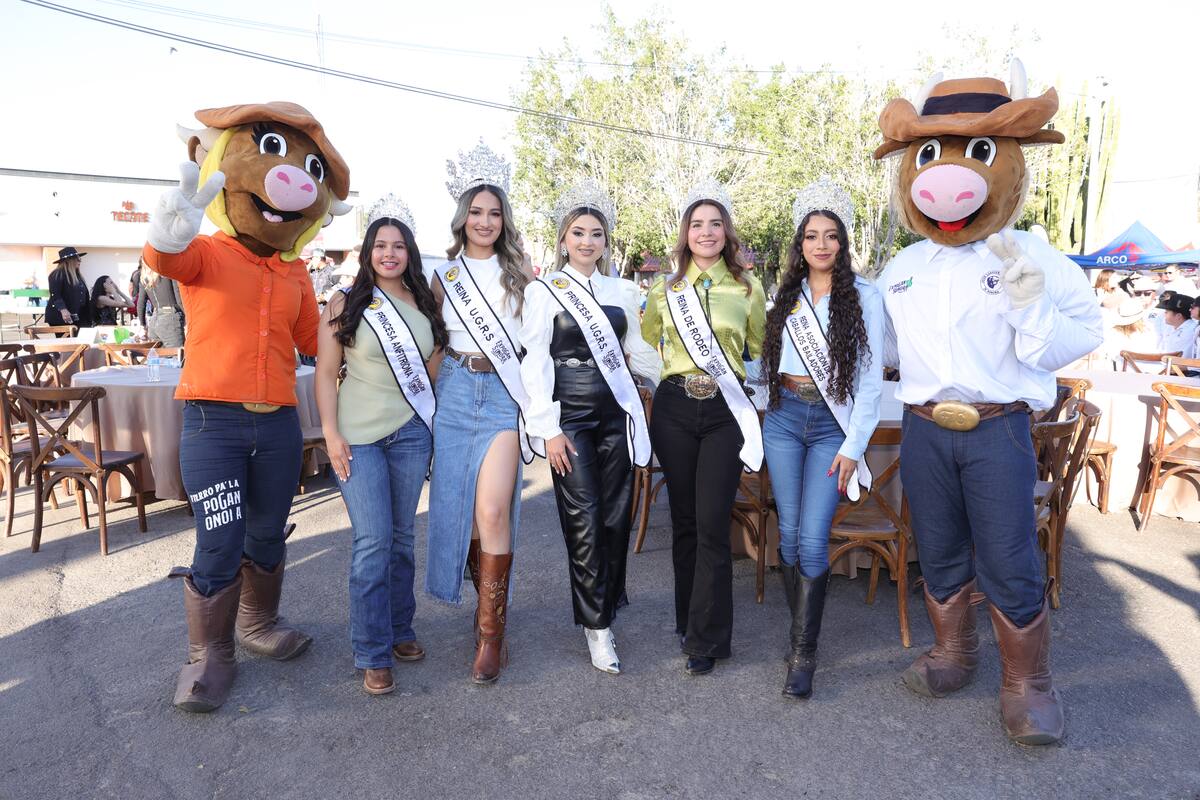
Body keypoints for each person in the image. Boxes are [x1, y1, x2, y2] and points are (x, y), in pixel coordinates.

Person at [873, 65, 1103, 745]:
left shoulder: (1030, 253)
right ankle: (954, 652)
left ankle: (1027, 684)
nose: (945, 177)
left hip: (996, 430)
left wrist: (1032, 312)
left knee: (1008, 556)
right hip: (922, 431)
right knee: (938, 548)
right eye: (929, 156)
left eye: (973, 153)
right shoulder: (903, 266)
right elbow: (883, 347)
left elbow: (1084, 332)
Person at [144, 100, 352, 713]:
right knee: (218, 537)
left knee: (266, 531)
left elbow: (316, 343)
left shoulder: (297, 275)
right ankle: (210, 656)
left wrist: (363, 320)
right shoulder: (208, 251)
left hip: (280, 426)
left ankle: (258, 625)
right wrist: (166, 229)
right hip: (214, 423)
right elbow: (166, 260)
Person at [519, 182, 660, 674]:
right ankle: (597, 627)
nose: (586, 242)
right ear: (562, 239)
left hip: (615, 414)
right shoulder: (543, 291)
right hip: (570, 419)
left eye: (595, 234)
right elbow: (534, 359)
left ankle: (608, 601)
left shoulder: (622, 290)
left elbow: (638, 351)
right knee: (583, 519)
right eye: (577, 233)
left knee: (617, 516)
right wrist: (548, 428)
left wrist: (682, 374)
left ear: (606, 241)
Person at [316, 200, 447, 696]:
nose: (389, 254)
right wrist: (331, 434)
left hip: (412, 434)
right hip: (358, 437)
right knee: (372, 543)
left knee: (401, 540)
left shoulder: (423, 304)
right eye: (380, 246)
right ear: (367, 252)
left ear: (409, 253)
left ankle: (400, 629)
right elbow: (325, 376)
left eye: (398, 246)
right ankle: (371, 650)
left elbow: (433, 368)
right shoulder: (344, 303)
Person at [760, 178, 883, 698]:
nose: (822, 245)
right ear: (800, 243)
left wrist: (854, 447)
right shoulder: (783, 296)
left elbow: (871, 378)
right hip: (784, 417)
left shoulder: (865, 297)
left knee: (812, 537)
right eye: (812, 235)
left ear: (843, 242)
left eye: (831, 235)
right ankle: (800, 634)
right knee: (787, 534)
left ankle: (803, 652)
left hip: (832, 425)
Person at [424, 141, 541, 685]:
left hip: (499, 394)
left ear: (504, 219)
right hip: (452, 391)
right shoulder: (443, 277)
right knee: (467, 514)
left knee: (493, 511)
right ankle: (483, 609)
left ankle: (491, 632)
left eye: (495, 213)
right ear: (462, 217)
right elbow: (432, 348)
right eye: (476, 211)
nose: (486, 221)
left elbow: (535, 349)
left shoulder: (522, 274)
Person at [640, 179, 766, 677]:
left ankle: (708, 639)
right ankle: (687, 618)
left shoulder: (749, 288)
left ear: (727, 232)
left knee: (713, 521)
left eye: (716, 224)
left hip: (724, 411)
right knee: (686, 521)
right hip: (673, 407)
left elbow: (755, 348)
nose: (707, 232)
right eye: (697, 224)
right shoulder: (662, 288)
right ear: (685, 233)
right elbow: (655, 340)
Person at [136, 260, 186, 347]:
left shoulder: (144, 278)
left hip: (154, 320)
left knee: (157, 358)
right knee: (178, 356)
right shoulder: (169, 274)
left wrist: (142, 325)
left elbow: (141, 303)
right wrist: (189, 318)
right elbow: (179, 299)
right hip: (170, 319)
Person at [46, 246, 92, 328]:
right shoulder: (57, 274)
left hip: (79, 316)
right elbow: (55, 294)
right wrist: (63, 310)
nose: (80, 260)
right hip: (62, 317)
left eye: (79, 258)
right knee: (67, 340)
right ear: (68, 260)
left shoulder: (77, 276)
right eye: (76, 258)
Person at [1155, 293, 1197, 359]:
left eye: (1167, 312)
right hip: (1169, 363)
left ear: (1178, 316)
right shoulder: (1170, 326)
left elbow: (1177, 357)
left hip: (1182, 367)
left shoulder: (1192, 330)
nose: (1164, 314)